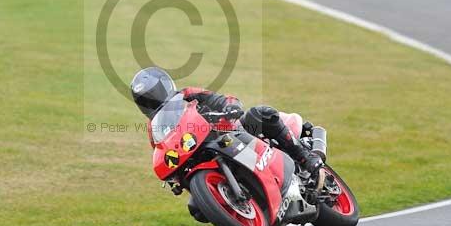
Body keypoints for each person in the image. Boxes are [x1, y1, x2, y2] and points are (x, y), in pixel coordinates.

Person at [130, 66, 324, 177]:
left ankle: (303, 157)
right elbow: (165, 150)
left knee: (261, 113)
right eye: (146, 100)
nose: (152, 101)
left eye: (153, 95)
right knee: (197, 209)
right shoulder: (154, 128)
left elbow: (221, 99)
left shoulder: (188, 95)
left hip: (233, 131)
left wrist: (230, 107)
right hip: (206, 157)